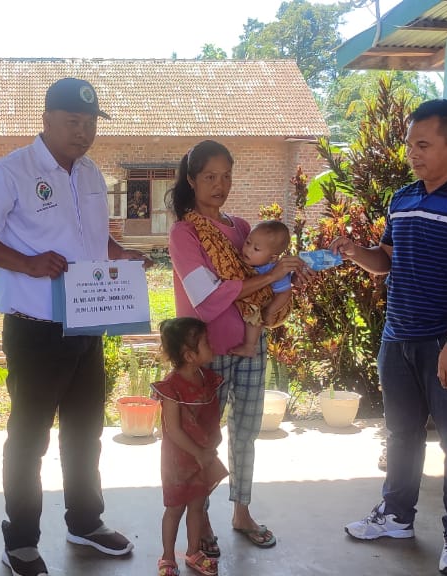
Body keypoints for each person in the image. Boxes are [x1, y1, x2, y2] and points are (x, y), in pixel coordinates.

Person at [0, 77, 148, 576]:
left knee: (85, 431)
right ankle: (20, 541)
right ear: (47, 120)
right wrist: (26, 263)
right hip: (35, 329)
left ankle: (85, 521)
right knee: (29, 438)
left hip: (87, 323)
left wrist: (119, 254)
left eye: (90, 123)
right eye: (73, 122)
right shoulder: (10, 172)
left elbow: (92, 238)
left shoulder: (90, 172)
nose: (83, 132)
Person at [332, 99, 447, 575]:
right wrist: (356, 252)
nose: (413, 153)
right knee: (402, 433)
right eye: (410, 144)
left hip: (445, 343)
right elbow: (386, 260)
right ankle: (396, 516)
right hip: (398, 337)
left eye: (424, 145)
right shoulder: (403, 198)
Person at [166, 140, 309, 553]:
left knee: (245, 434)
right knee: (204, 438)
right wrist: (271, 277)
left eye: (226, 176)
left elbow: (266, 281)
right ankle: (203, 518)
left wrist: (288, 278)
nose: (220, 185)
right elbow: (207, 300)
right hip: (205, 353)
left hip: (250, 346)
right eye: (210, 176)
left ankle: (241, 511)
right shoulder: (185, 233)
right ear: (192, 180)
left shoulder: (243, 228)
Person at [153, 318, 228, 576]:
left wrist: (212, 442)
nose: (212, 346)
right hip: (178, 460)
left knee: (197, 505)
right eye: (206, 343)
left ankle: (194, 552)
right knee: (174, 509)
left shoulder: (206, 378)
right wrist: (199, 453)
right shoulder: (172, 387)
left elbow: (211, 416)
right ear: (189, 355)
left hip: (202, 457)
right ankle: (167, 557)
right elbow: (173, 430)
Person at [232, 220, 295, 357]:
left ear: (272, 258)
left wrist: (270, 311)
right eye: (248, 242)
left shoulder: (275, 270)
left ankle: (250, 347)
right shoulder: (247, 261)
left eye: (256, 249)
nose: (248, 250)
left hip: (261, 305)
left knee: (254, 316)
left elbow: (285, 293)